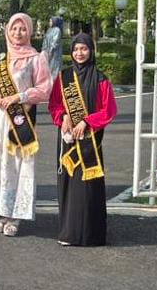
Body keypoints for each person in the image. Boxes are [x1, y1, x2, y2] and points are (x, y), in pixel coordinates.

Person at [0, 13, 53, 236]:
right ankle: (3, 211)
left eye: (22, 29)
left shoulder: (36, 58)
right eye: (14, 28)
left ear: (29, 31)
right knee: (1, 165)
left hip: (21, 120)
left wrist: (19, 97)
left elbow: (45, 89)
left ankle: (16, 216)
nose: (18, 33)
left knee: (19, 165)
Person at [49, 33, 117, 247]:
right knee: (69, 185)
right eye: (76, 49)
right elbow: (54, 104)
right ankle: (68, 233)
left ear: (91, 51)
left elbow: (108, 110)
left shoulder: (101, 79)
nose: (80, 53)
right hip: (68, 139)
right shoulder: (64, 77)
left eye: (84, 49)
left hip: (90, 142)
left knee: (88, 187)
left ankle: (90, 235)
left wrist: (87, 121)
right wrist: (64, 116)